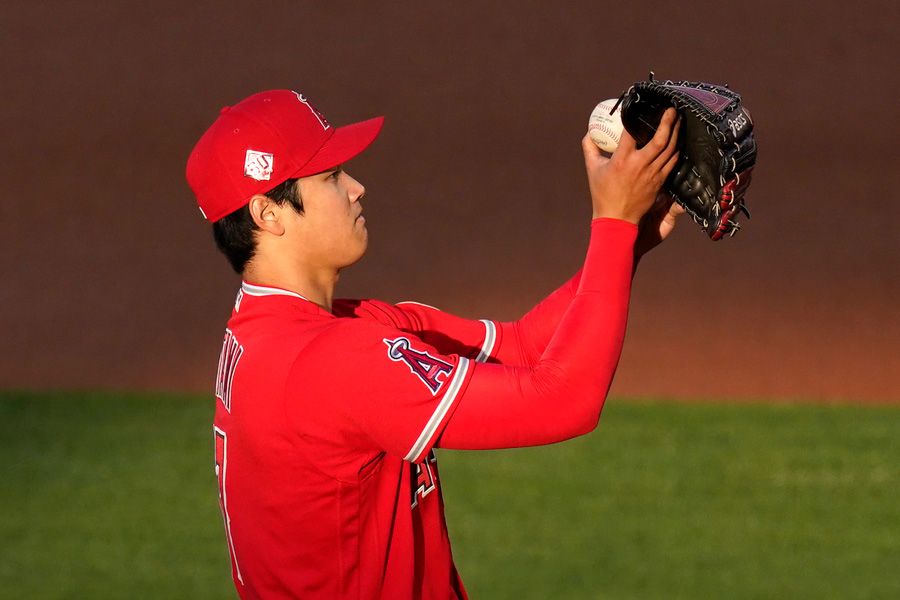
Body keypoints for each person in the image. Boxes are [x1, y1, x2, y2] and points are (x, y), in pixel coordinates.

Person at [186, 89, 682, 600]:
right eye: (331, 177)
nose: (357, 187)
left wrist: (629, 240)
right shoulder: (333, 361)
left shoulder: (281, 330)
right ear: (268, 213)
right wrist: (613, 222)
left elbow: (519, 345)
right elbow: (564, 402)